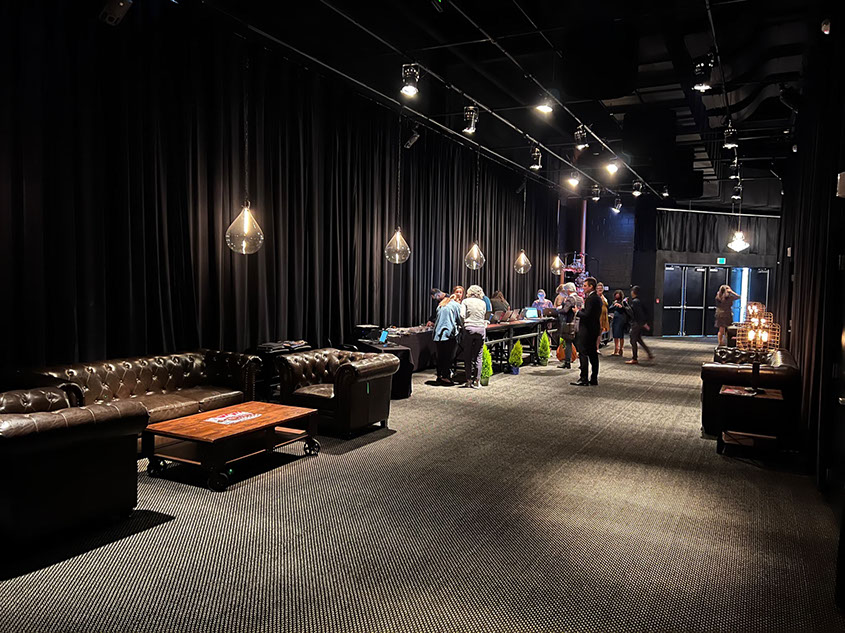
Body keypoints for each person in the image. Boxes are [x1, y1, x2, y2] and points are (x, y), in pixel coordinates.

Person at [571, 277, 602, 386]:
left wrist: (577, 312)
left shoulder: (591, 299)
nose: (583, 288)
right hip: (594, 329)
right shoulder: (597, 298)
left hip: (587, 330)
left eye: (585, 286)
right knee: (593, 354)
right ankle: (594, 378)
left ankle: (583, 378)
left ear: (591, 286)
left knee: (583, 352)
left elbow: (587, 315)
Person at [460, 285, 489, 389]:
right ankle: (477, 381)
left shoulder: (465, 301)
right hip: (481, 329)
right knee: (478, 356)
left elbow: (462, 315)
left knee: (467, 356)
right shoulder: (483, 303)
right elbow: (484, 315)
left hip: (469, 328)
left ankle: (468, 380)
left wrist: (463, 324)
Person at [433, 293, 462, 385]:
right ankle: (446, 377)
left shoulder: (441, 305)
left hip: (438, 334)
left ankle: (439, 375)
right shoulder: (456, 305)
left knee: (440, 356)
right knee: (449, 356)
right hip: (449, 334)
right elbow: (460, 320)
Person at [626, 285, 654, 365]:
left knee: (633, 340)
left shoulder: (635, 302)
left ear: (633, 292)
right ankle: (649, 354)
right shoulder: (639, 301)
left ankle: (634, 358)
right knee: (638, 339)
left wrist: (643, 323)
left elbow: (637, 313)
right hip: (639, 323)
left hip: (636, 323)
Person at [557, 283, 583, 369]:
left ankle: (567, 362)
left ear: (568, 290)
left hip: (570, 323)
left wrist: (557, 310)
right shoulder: (580, 298)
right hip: (578, 323)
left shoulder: (570, 299)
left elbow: (565, 310)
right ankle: (583, 363)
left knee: (568, 342)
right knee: (579, 344)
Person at [608, 290, 628, 356]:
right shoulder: (614, 302)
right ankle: (616, 348)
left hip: (621, 319)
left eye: (618, 294)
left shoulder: (624, 302)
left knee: (621, 335)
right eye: (616, 294)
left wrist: (621, 306)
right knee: (615, 334)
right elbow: (610, 309)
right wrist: (614, 305)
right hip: (615, 319)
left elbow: (627, 310)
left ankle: (621, 348)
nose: (617, 295)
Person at [596, 282, 610, 353]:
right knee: (595, 333)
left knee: (600, 333)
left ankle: (597, 347)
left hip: (603, 318)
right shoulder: (595, 297)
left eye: (601, 288)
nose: (600, 289)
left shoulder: (604, 297)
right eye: (598, 288)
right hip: (597, 317)